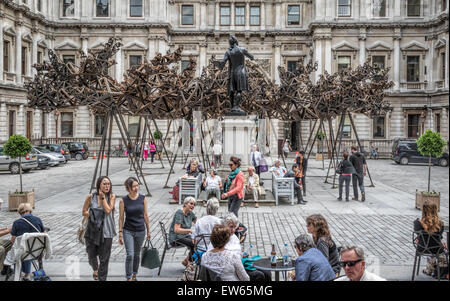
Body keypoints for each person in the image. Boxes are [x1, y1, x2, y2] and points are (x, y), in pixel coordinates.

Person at [208, 213, 271, 281]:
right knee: (259, 275)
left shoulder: (234, 238)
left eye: (234, 227)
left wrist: (242, 254)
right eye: (231, 227)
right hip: (231, 271)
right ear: (224, 226)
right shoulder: (219, 239)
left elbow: (238, 252)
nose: (233, 230)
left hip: (240, 264)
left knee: (266, 272)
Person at [82, 176, 116, 281]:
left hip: (106, 231)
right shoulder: (90, 197)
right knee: (91, 253)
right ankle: (95, 269)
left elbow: (108, 210)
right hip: (92, 230)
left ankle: (102, 278)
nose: (107, 186)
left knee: (104, 259)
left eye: (108, 184)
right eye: (104, 184)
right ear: (99, 185)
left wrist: (102, 198)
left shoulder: (111, 196)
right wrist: (93, 214)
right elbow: (84, 211)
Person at [118, 177, 151, 281]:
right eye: (134, 186)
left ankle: (134, 275)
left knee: (136, 255)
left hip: (141, 230)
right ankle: (128, 277)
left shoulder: (143, 198)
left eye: (137, 185)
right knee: (130, 255)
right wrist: (120, 233)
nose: (136, 188)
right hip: (128, 230)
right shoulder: (123, 200)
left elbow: (145, 215)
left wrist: (149, 230)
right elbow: (121, 217)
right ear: (128, 188)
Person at [5, 203, 46, 281]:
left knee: (18, 249)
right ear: (30, 210)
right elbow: (44, 234)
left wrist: (10, 247)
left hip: (22, 252)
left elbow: (13, 239)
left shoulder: (17, 223)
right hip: (37, 251)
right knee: (27, 247)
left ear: (20, 212)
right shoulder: (38, 220)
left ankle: (18, 274)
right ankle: (27, 275)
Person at [413, 201, 446, 277]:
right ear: (435, 210)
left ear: (423, 210)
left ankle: (429, 270)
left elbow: (418, 234)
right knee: (441, 250)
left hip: (421, 248)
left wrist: (420, 239)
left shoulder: (417, 223)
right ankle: (437, 270)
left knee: (429, 245)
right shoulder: (440, 223)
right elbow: (439, 237)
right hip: (437, 249)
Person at [169, 197, 197, 266]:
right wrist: (190, 230)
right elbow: (176, 230)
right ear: (185, 204)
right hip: (176, 237)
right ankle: (189, 264)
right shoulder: (180, 213)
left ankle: (186, 261)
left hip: (184, 236)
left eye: (194, 204)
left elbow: (198, 222)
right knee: (194, 243)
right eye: (191, 203)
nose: (192, 206)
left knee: (198, 241)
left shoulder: (190, 213)